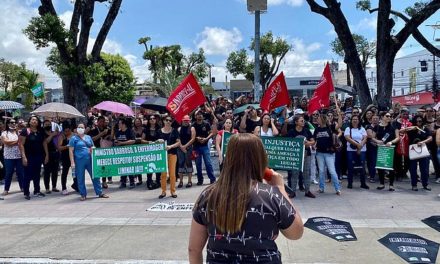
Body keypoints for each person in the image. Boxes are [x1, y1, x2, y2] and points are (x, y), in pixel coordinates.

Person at [189, 133, 303, 263]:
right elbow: (296, 233)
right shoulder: (271, 195)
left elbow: (194, 249)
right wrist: (280, 188)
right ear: (260, 159)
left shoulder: (208, 195)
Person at [69, 123, 108, 201]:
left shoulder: (88, 137)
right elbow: (70, 151)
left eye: (82, 127)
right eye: (79, 127)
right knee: (80, 178)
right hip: (79, 161)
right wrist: (72, 162)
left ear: (85, 128)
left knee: (95, 176)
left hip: (90, 160)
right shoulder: (73, 138)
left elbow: (92, 146)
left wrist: (93, 149)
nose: (80, 128)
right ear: (76, 129)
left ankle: (99, 192)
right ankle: (83, 194)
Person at [287, 116, 315, 198]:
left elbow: (313, 141)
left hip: (307, 154)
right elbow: (288, 143)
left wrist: (308, 143)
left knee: (306, 173)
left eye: (303, 120)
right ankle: (293, 192)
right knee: (294, 173)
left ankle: (307, 191)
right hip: (295, 155)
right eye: (301, 120)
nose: (303, 122)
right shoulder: (291, 132)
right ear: (296, 122)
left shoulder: (307, 131)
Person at [313, 111, 341, 195]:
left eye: (318, 118)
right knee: (321, 171)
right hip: (319, 153)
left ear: (322, 119)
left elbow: (339, 125)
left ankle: (337, 189)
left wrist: (339, 114)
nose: (316, 119)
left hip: (329, 153)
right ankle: (321, 188)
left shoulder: (330, 127)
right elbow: (314, 139)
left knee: (332, 171)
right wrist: (313, 145)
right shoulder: (317, 129)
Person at [19, 116, 46, 200]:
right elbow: (21, 144)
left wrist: (46, 155)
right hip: (28, 156)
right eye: (33, 120)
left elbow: (44, 143)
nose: (34, 121)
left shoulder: (40, 131)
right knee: (27, 174)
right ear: (29, 121)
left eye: (36, 120)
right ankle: (26, 192)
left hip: (38, 156)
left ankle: (37, 191)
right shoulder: (25, 131)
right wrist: (23, 157)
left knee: (37, 174)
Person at [371, 111, 400, 191]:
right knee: (380, 166)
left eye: (390, 116)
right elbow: (372, 137)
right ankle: (381, 183)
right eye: (387, 116)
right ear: (382, 117)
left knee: (391, 167)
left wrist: (391, 142)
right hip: (381, 148)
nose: (389, 117)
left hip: (391, 149)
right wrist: (377, 141)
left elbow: (398, 137)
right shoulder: (377, 127)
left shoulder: (394, 126)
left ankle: (391, 184)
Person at [407, 116, 432, 191]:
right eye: (417, 121)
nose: (418, 123)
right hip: (413, 150)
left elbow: (430, 138)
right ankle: (414, 185)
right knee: (413, 169)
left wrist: (422, 142)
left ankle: (425, 184)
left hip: (423, 150)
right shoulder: (411, 129)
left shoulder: (425, 129)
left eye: (420, 121)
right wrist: (412, 128)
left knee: (424, 169)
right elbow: (401, 131)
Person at [344, 115, 369, 189]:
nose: (355, 121)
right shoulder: (348, 129)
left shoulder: (362, 129)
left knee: (362, 167)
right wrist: (357, 145)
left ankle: (363, 183)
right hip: (351, 151)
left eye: (356, 119)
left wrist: (360, 146)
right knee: (350, 167)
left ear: (359, 120)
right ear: (351, 120)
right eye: (353, 119)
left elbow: (365, 138)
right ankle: (350, 183)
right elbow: (347, 138)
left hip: (362, 150)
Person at [158, 116, 180, 199]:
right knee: (163, 174)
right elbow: (154, 143)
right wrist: (158, 142)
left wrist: (170, 146)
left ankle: (173, 191)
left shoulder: (174, 131)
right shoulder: (159, 131)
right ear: (163, 121)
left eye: (170, 120)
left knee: (172, 174)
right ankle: (163, 191)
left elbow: (178, 143)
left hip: (172, 154)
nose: (168, 122)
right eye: (166, 120)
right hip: (162, 155)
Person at [88, 116, 113, 188]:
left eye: (103, 121)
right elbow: (92, 139)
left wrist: (109, 133)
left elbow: (111, 138)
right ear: (98, 121)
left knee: (104, 166)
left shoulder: (107, 129)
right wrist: (101, 134)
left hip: (104, 149)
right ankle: (97, 182)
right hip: (96, 149)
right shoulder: (93, 129)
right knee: (96, 167)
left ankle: (104, 181)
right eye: (101, 121)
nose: (102, 123)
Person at [193, 111, 216, 185]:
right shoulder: (193, 125)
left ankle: (212, 179)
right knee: (198, 164)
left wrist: (206, 138)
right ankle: (200, 180)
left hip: (205, 146)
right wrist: (197, 138)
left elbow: (211, 133)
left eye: (201, 114)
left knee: (208, 163)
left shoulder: (206, 124)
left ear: (203, 116)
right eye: (198, 115)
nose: (199, 116)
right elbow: (191, 135)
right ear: (195, 116)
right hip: (196, 147)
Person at [1, 119, 24, 196]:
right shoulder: (4, 133)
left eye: (14, 122)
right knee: (9, 173)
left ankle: (22, 187)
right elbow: (6, 143)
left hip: (18, 156)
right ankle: (6, 189)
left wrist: (14, 142)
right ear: (8, 124)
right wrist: (17, 142)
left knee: (20, 172)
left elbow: (22, 142)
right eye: (11, 122)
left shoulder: (18, 132)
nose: (13, 124)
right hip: (8, 157)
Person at [115, 118, 136, 189]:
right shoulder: (118, 132)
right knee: (122, 167)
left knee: (129, 167)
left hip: (129, 152)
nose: (119, 124)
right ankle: (123, 182)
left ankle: (132, 182)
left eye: (120, 123)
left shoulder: (130, 131)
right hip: (120, 153)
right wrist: (116, 142)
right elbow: (116, 139)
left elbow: (133, 140)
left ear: (123, 124)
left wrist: (123, 143)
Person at [177, 115, 196, 188]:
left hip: (188, 148)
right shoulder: (179, 129)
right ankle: (181, 181)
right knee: (180, 164)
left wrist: (185, 146)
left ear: (189, 121)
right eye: (184, 120)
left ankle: (189, 181)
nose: (186, 122)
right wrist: (182, 146)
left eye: (187, 120)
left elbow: (193, 139)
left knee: (189, 164)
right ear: (182, 120)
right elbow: (178, 138)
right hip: (180, 148)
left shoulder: (192, 128)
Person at [43, 119, 61, 194]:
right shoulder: (42, 133)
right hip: (47, 154)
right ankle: (47, 188)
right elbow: (46, 142)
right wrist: (52, 135)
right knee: (47, 171)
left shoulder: (55, 132)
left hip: (55, 154)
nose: (48, 126)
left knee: (55, 171)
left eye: (49, 124)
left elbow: (58, 142)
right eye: (46, 124)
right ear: (43, 125)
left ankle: (54, 186)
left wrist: (57, 133)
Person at [58, 120, 74, 195]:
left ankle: (76, 185)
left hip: (74, 156)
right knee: (65, 172)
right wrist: (67, 146)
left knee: (76, 172)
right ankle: (64, 188)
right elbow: (59, 148)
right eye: (65, 131)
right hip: (65, 157)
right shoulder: (62, 136)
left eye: (68, 131)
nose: (67, 132)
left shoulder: (74, 135)